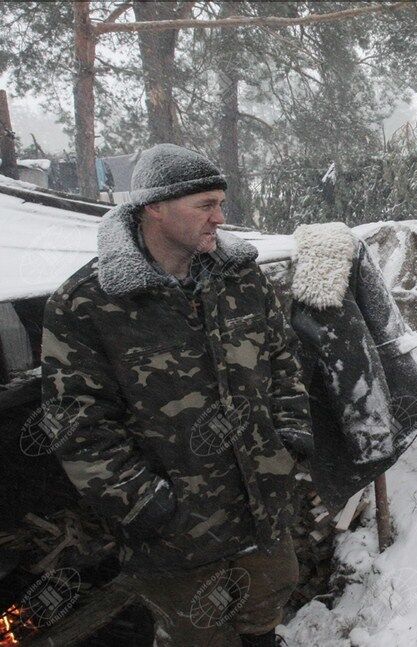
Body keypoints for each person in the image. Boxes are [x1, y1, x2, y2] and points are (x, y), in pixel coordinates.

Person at [40, 143, 314, 646]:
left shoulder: (240, 276)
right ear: (154, 207)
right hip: (177, 536)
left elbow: (282, 357)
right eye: (205, 205)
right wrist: (147, 505)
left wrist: (291, 436)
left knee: (262, 624)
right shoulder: (87, 303)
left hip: (263, 510)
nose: (220, 218)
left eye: (221, 203)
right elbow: (78, 426)